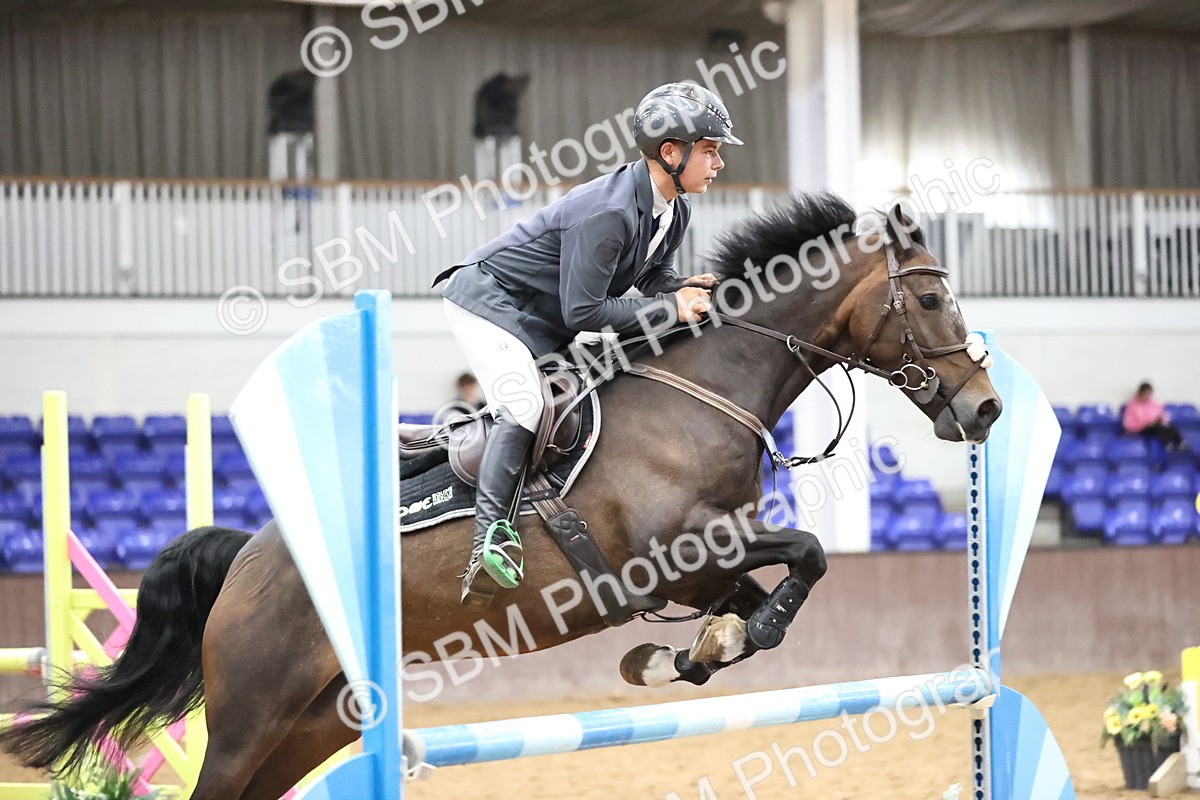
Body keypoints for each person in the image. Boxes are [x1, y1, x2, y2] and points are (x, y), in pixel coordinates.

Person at [435, 82, 741, 606]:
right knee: (525, 406)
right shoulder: (609, 212)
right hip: (487, 303)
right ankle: (490, 540)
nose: (717, 164)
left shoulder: (674, 208)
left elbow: (652, 278)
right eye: (710, 151)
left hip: (541, 320)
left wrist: (687, 289)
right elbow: (586, 312)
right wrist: (672, 308)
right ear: (671, 152)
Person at [1122, 382, 1185, 450]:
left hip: (1155, 426)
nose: (1147, 396)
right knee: (1157, 428)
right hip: (1141, 430)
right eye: (1145, 394)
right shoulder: (1132, 406)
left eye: (1149, 394)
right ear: (1140, 393)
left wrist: (1162, 421)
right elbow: (1128, 424)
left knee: (1170, 427)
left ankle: (1180, 443)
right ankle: (1167, 445)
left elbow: (1163, 416)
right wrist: (1145, 424)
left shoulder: (1154, 404)